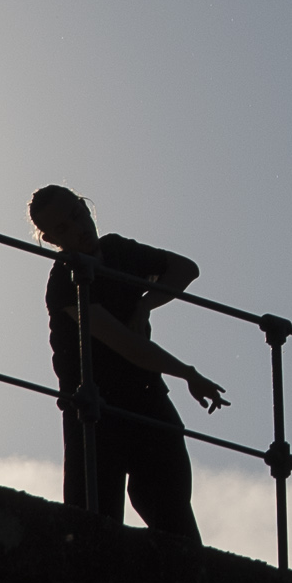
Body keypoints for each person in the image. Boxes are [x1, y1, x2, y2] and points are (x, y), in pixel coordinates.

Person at [28, 184, 224, 542]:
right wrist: (188, 373)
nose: (78, 228)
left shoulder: (118, 251)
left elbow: (185, 269)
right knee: (93, 528)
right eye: (62, 229)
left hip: (145, 397)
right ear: (51, 239)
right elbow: (126, 345)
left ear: (86, 207)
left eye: (77, 214)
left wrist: (145, 303)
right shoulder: (64, 282)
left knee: (174, 520)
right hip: (96, 410)